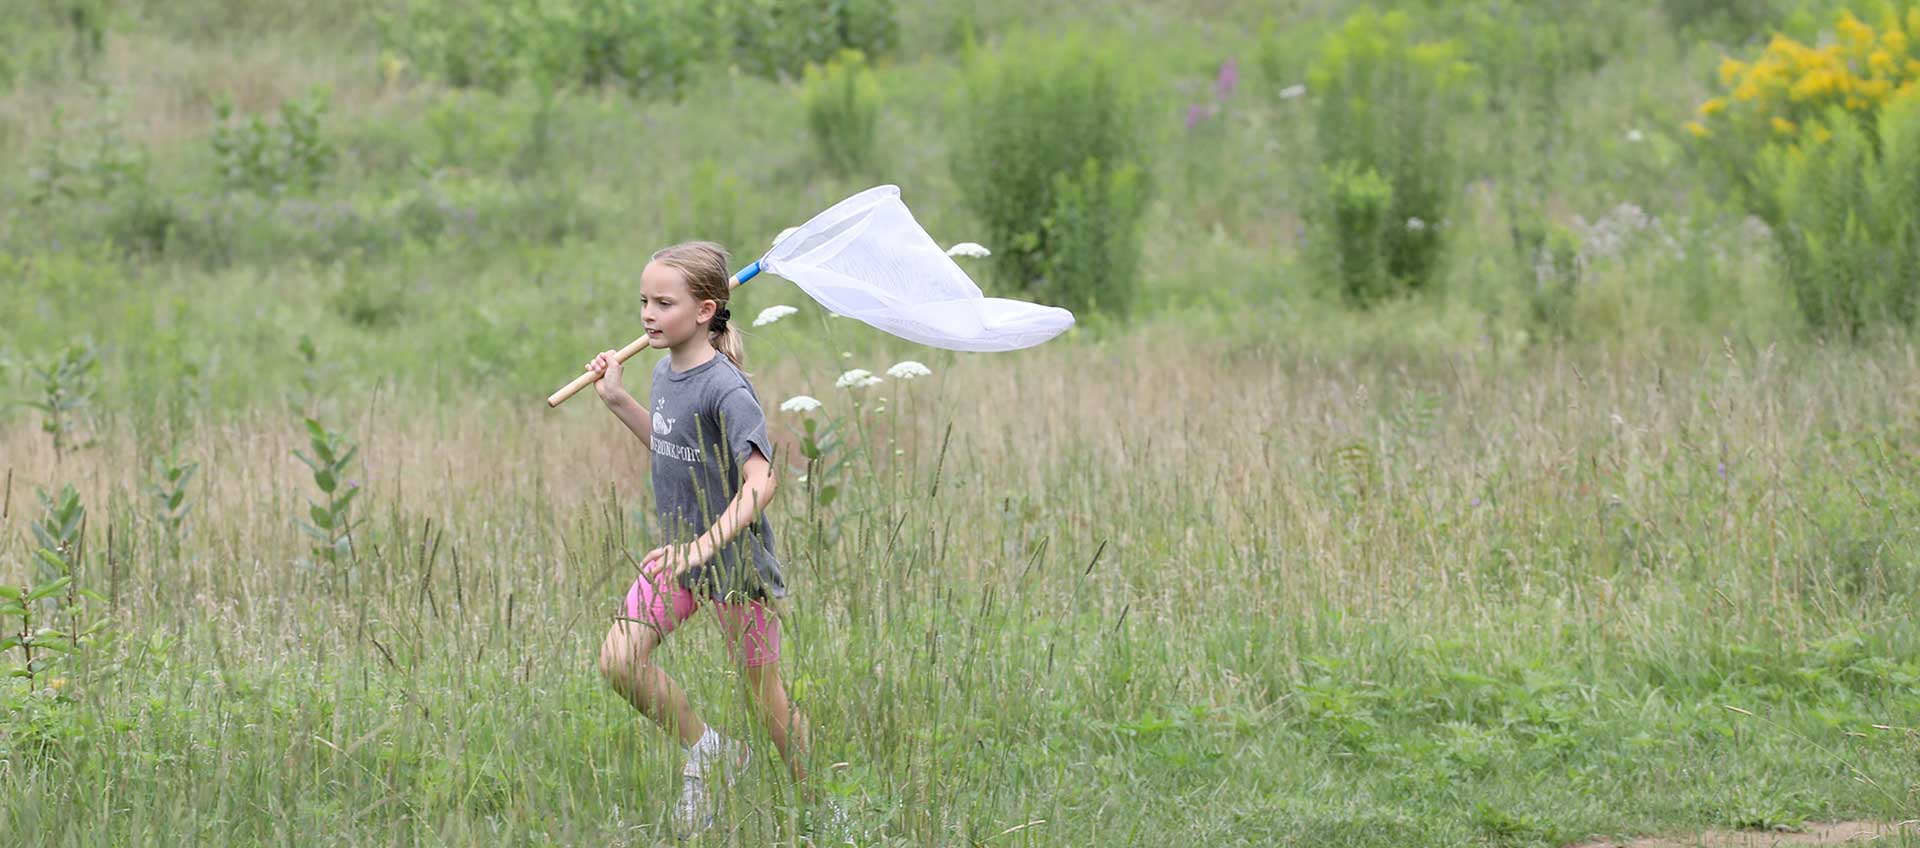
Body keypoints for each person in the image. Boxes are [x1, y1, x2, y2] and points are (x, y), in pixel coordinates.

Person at [587, 241, 818, 838]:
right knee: (618, 661)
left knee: (765, 695)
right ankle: (713, 751)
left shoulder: (727, 388)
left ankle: (822, 808)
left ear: (706, 310)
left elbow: (762, 483)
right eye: (644, 301)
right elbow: (670, 448)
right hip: (677, 560)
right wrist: (617, 400)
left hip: (733, 563)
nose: (647, 314)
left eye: (664, 303)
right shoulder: (665, 372)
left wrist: (703, 546)